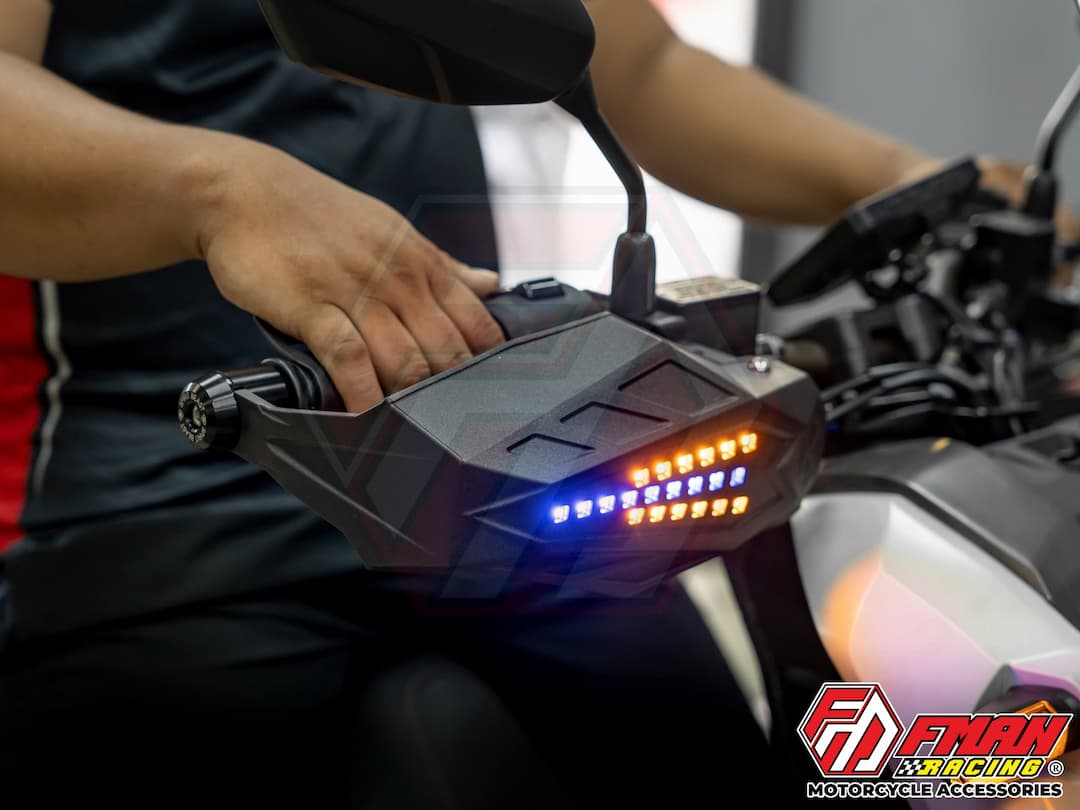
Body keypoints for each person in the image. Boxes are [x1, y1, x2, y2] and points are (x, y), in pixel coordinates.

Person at [0, 1, 1066, 808]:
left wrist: (930, 184)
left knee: (795, 759)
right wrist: (215, 190)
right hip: (176, 495)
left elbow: (636, 64)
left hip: (505, 473)